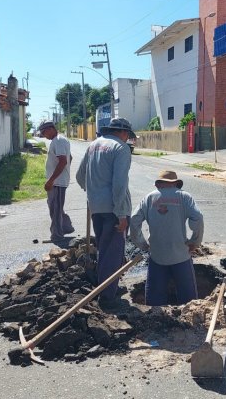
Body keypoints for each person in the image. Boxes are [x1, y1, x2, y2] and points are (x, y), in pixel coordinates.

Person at [75, 117, 135, 306]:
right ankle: (108, 297)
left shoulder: (93, 145)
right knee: (113, 253)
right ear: (124, 132)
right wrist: (122, 213)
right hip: (113, 210)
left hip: (96, 207)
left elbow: (79, 176)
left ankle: (105, 287)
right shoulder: (121, 148)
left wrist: (93, 192)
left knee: (104, 249)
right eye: (128, 135)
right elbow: (119, 184)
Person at [130, 171, 204, 306]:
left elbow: (134, 221)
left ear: (158, 184)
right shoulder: (184, 197)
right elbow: (198, 218)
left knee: (154, 302)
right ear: (176, 183)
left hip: (157, 255)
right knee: (189, 301)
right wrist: (194, 242)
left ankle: (156, 321)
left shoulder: (149, 198)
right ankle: (190, 323)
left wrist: (142, 244)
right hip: (181, 255)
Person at [40, 121, 74, 243]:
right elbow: (69, 158)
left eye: (44, 132)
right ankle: (66, 228)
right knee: (55, 207)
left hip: (57, 182)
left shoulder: (59, 140)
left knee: (56, 209)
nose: (44, 135)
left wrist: (51, 180)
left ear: (51, 129)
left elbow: (63, 161)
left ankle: (57, 236)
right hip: (57, 181)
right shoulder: (57, 140)